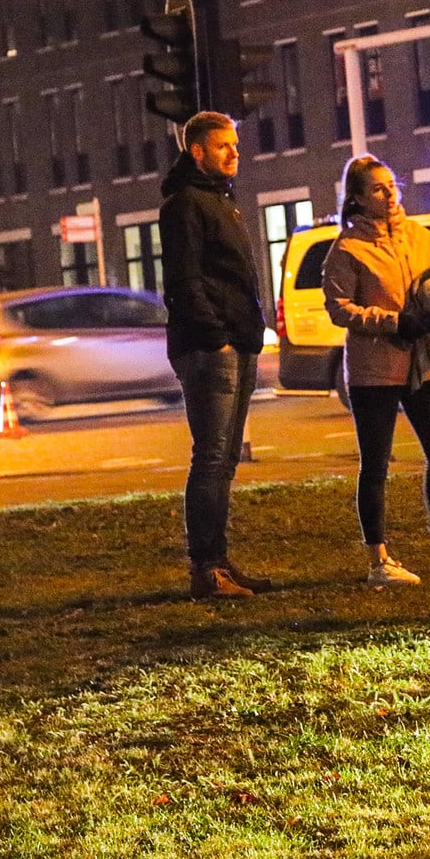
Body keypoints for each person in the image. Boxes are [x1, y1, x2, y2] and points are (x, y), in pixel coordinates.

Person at [322, 155, 430, 586]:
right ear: (359, 199)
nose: (389, 194)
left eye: (391, 184)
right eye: (378, 189)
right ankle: (378, 559)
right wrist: (394, 322)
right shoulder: (347, 248)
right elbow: (339, 308)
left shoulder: (418, 236)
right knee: (376, 463)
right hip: (374, 368)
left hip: (421, 363)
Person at [158, 111, 274, 599]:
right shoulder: (186, 204)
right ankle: (206, 568)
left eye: (236, 145)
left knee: (223, 460)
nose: (234, 153)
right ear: (197, 151)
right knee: (210, 457)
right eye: (222, 146)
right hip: (212, 347)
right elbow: (184, 282)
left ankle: (220, 561)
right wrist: (216, 336)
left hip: (237, 342)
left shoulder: (221, 201)